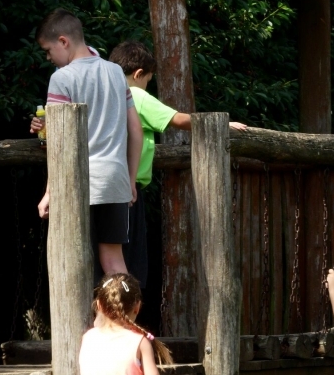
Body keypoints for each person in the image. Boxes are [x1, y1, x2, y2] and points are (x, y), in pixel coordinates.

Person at [104, 40, 247, 287]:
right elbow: (177, 119)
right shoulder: (135, 95)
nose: (148, 84)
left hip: (106, 186)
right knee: (132, 263)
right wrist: (220, 123)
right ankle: (124, 312)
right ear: (139, 74)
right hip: (128, 188)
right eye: (149, 79)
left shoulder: (104, 93)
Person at [32, 9, 143, 278]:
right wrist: (130, 179)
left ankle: (83, 323)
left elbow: (60, 144)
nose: (48, 58)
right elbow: (135, 130)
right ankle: (125, 320)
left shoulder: (62, 78)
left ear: (63, 41)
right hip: (115, 180)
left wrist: (49, 192)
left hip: (77, 183)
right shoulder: (116, 72)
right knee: (115, 264)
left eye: (48, 50)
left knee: (75, 266)